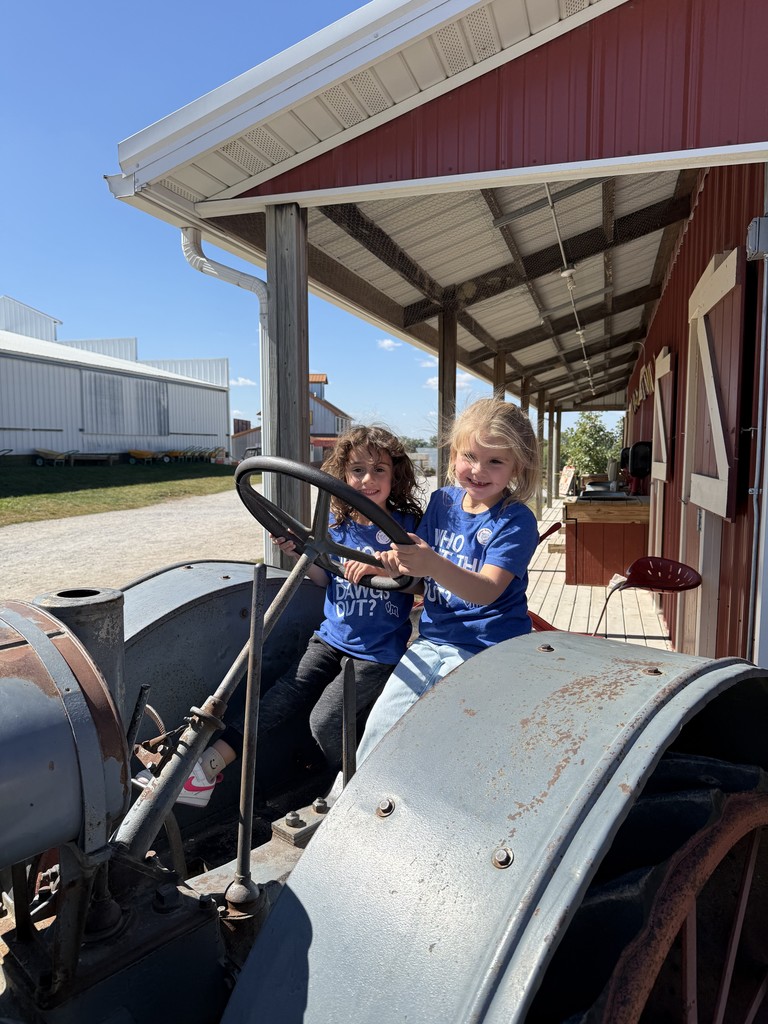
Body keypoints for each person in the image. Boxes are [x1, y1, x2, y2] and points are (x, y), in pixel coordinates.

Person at [174, 425, 424, 806]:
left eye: (379, 470)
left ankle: (358, 785)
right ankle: (205, 770)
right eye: (357, 470)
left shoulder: (406, 530)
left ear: (395, 476)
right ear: (342, 476)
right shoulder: (334, 529)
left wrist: (384, 569)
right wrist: (299, 552)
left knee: (325, 721)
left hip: (376, 653)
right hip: (330, 639)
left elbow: (421, 581)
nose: (367, 480)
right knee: (277, 699)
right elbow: (326, 578)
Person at [349, 396, 540, 773]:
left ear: (517, 466)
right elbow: (415, 572)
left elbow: (486, 590)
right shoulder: (442, 502)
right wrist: (388, 564)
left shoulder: (515, 521)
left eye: (495, 461)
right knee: (381, 727)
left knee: (440, 738)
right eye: (469, 456)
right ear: (453, 455)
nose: (478, 470)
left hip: (488, 647)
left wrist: (431, 562)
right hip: (433, 638)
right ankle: (349, 795)